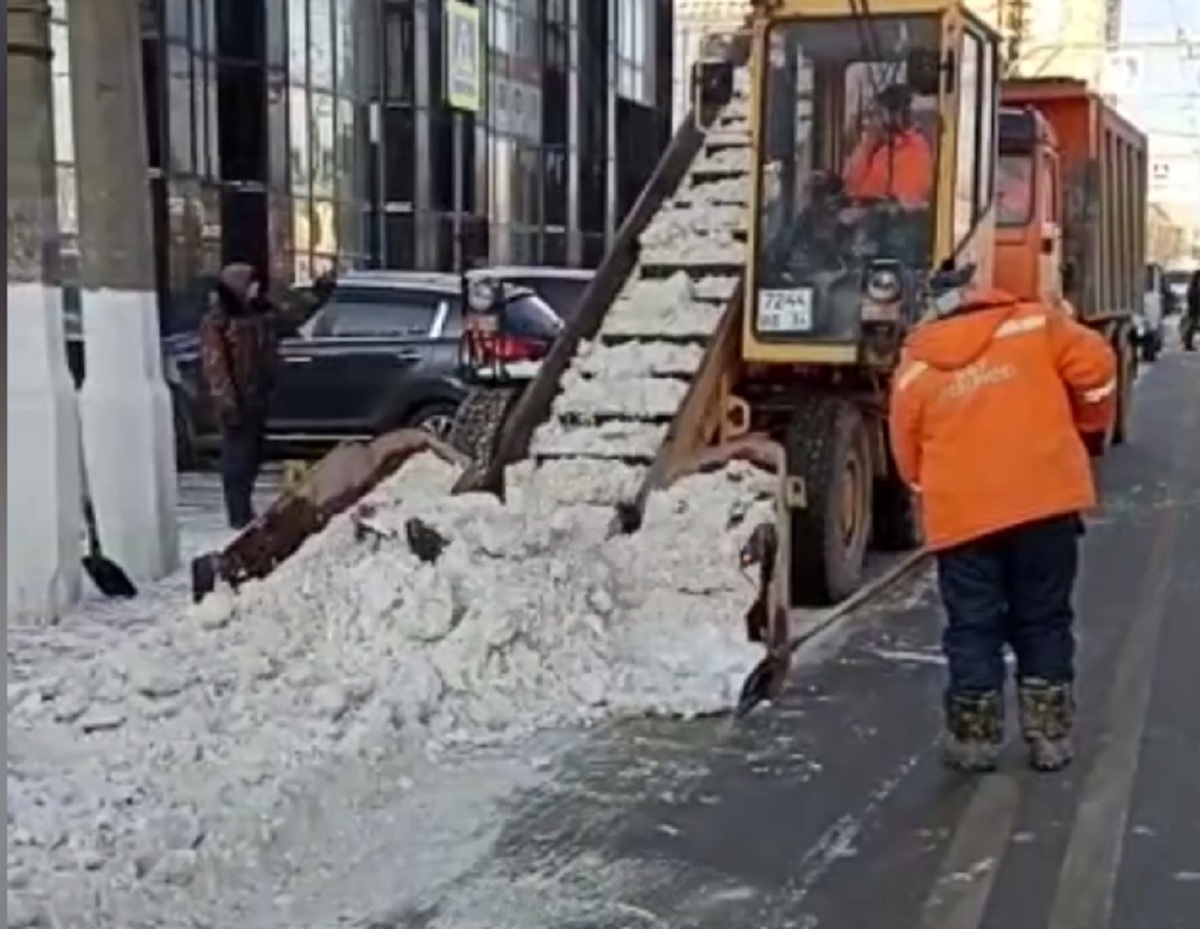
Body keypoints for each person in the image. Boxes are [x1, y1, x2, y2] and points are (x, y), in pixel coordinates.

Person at [889, 267, 1117, 773]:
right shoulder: (1037, 327)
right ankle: (1050, 735)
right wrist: (1089, 422)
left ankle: (974, 741)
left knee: (973, 625)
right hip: (1045, 505)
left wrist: (939, 491)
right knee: (1044, 617)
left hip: (965, 521)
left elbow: (907, 459)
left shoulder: (915, 370)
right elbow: (1098, 368)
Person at [200, 263, 281, 530]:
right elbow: (216, 365)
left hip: (256, 396)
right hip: (236, 399)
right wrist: (227, 401)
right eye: (252, 284)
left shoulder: (259, 315)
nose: (257, 289)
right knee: (238, 457)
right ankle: (238, 513)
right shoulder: (219, 321)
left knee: (254, 453)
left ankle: (244, 507)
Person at [842, 83, 934, 209]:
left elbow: (904, 197)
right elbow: (850, 186)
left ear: (896, 114)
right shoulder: (875, 147)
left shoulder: (915, 149)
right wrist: (868, 145)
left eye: (878, 113)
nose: (873, 120)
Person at [1184, 269, 1200, 351]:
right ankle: (1187, 344)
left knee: (1191, 327)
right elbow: (1194, 299)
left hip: (1193, 309)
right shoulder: (1194, 288)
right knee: (1191, 327)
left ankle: (1187, 343)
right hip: (1194, 310)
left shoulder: (1193, 287)